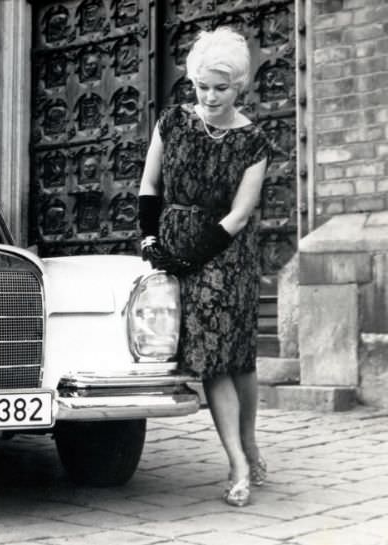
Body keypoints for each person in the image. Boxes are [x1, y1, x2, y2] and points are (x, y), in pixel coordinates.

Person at [137, 27, 270, 507]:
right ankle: (242, 455)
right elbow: (150, 186)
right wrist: (151, 240)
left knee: (232, 356)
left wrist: (193, 256)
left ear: (240, 87)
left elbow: (240, 214)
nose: (210, 97)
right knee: (220, 356)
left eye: (221, 87)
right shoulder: (171, 122)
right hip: (173, 241)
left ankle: (244, 450)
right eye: (201, 86)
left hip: (226, 252)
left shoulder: (253, 141)